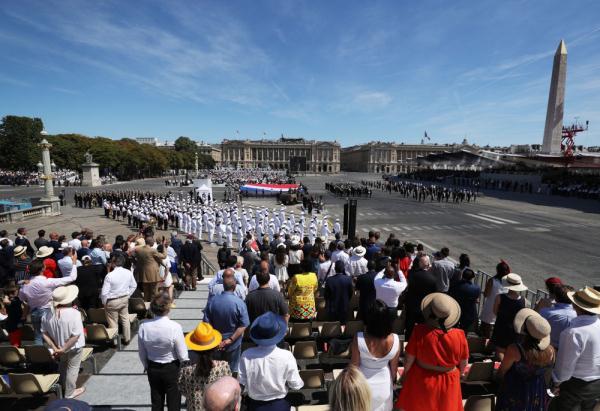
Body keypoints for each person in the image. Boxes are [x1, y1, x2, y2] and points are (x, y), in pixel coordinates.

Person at [395, 293, 469, 411]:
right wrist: (457, 376)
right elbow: (464, 362)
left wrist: (405, 376)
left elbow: (409, 359)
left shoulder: (419, 331)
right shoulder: (460, 335)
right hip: (449, 380)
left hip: (422, 379)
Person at [238, 311, 304, 410]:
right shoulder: (287, 356)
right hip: (279, 405)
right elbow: (296, 385)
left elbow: (241, 383)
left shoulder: (246, 355)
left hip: (254, 406)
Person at [549, 286, 600, 411]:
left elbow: (564, 368)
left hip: (575, 387)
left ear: (576, 305)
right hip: (596, 385)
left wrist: (556, 383)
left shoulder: (573, 333)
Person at [496, 308, 555, 411]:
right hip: (537, 389)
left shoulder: (515, 349)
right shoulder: (551, 351)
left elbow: (502, 371)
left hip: (516, 389)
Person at [138, 293, 189, 411]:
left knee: (156, 402)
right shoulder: (175, 327)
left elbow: (142, 352)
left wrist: (146, 365)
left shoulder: (143, 327)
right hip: (172, 368)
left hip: (153, 367)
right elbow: (183, 355)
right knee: (174, 403)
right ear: (167, 308)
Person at [351, 299, 400, 411]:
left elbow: (354, 366)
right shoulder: (395, 339)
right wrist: (392, 383)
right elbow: (393, 370)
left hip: (363, 384)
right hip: (384, 385)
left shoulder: (359, 338)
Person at [19, 257, 78, 344]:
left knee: (38, 336)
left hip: (35, 312)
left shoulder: (25, 286)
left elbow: (23, 299)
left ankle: (39, 355)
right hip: (48, 311)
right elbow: (72, 278)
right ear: (43, 268)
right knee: (55, 335)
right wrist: (74, 263)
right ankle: (57, 353)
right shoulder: (48, 282)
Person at [41, 285, 86, 398]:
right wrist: (63, 349)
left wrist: (56, 348)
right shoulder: (75, 313)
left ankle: (63, 385)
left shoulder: (46, 314)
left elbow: (44, 333)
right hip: (74, 347)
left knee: (63, 365)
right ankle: (70, 393)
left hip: (59, 346)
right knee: (73, 368)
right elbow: (75, 336)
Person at [178, 322, 232, 411]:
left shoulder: (185, 367)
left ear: (194, 347)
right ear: (214, 347)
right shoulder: (223, 366)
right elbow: (228, 389)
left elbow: (182, 388)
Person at [203, 274, 250, 374]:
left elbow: (206, 324)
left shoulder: (212, 301)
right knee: (232, 371)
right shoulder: (240, 303)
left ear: (223, 286)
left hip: (215, 343)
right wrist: (230, 340)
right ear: (235, 286)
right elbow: (243, 325)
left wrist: (218, 340)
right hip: (233, 343)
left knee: (216, 371)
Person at [100, 254, 137, 344]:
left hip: (112, 301)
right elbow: (134, 285)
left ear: (114, 263)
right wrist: (128, 295)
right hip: (124, 298)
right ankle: (127, 339)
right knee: (125, 319)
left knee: (113, 322)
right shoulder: (128, 272)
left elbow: (104, 293)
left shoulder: (109, 275)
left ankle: (115, 341)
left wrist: (104, 303)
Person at [491, 273, 527, 360]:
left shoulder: (500, 297)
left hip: (501, 326)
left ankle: (501, 369)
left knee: (500, 350)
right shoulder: (524, 300)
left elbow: (495, 311)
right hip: (515, 329)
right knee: (511, 351)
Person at [403, 255, 438, 340]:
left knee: (409, 328)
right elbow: (434, 295)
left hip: (411, 306)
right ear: (428, 264)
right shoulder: (433, 279)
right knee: (422, 329)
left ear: (420, 264)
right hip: (424, 307)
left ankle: (408, 344)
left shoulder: (412, 275)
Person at [538, 284, 576, 349]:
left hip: (546, 348)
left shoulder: (545, 312)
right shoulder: (577, 315)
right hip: (568, 349)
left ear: (555, 297)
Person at [480, 260, 510, 338]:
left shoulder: (492, 281)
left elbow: (486, 294)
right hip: (501, 310)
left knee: (485, 332)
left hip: (490, 308)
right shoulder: (508, 283)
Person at [134, 237, 167, 302]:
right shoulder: (152, 250)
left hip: (143, 272)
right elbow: (164, 256)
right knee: (154, 291)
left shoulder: (138, 250)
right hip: (153, 273)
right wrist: (163, 246)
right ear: (151, 242)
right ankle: (153, 306)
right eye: (153, 241)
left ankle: (146, 304)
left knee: (146, 292)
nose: (154, 242)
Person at [324, 260, 354, 324]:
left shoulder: (329, 280)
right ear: (343, 269)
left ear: (335, 269)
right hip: (344, 307)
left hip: (333, 309)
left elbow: (326, 295)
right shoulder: (348, 279)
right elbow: (351, 293)